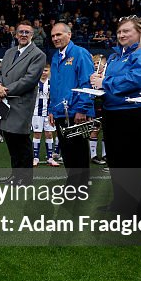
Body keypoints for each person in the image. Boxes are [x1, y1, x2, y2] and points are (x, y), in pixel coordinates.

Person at [90, 16, 141, 216]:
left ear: (139, 32)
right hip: (114, 111)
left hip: (136, 113)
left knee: (134, 162)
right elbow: (114, 80)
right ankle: (121, 203)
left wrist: (104, 83)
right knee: (116, 161)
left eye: (126, 31)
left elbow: (136, 80)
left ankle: (138, 209)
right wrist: (98, 80)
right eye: (119, 31)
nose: (121, 35)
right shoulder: (116, 56)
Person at [0, 20, 46, 185]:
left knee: (21, 141)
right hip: (5, 102)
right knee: (10, 140)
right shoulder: (9, 52)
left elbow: (29, 80)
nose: (23, 35)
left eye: (26, 32)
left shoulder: (38, 55)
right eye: (20, 32)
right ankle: (15, 176)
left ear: (32, 35)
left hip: (21, 103)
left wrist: (5, 89)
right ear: (15, 34)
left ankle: (26, 178)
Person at [47, 22, 95, 189]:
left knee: (79, 151)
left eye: (59, 35)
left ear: (69, 35)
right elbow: (54, 86)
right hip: (60, 112)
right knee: (66, 151)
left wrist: (82, 109)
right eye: (53, 36)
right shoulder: (55, 57)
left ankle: (82, 187)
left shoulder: (80, 53)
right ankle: (72, 185)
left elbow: (87, 83)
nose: (55, 38)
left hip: (77, 112)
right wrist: (52, 109)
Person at [31, 66, 59, 166]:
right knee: (37, 134)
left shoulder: (52, 84)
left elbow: (55, 99)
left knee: (49, 134)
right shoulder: (34, 84)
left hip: (49, 113)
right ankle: (35, 157)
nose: (44, 72)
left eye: (46, 70)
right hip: (36, 113)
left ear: (49, 71)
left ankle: (50, 158)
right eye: (42, 70)